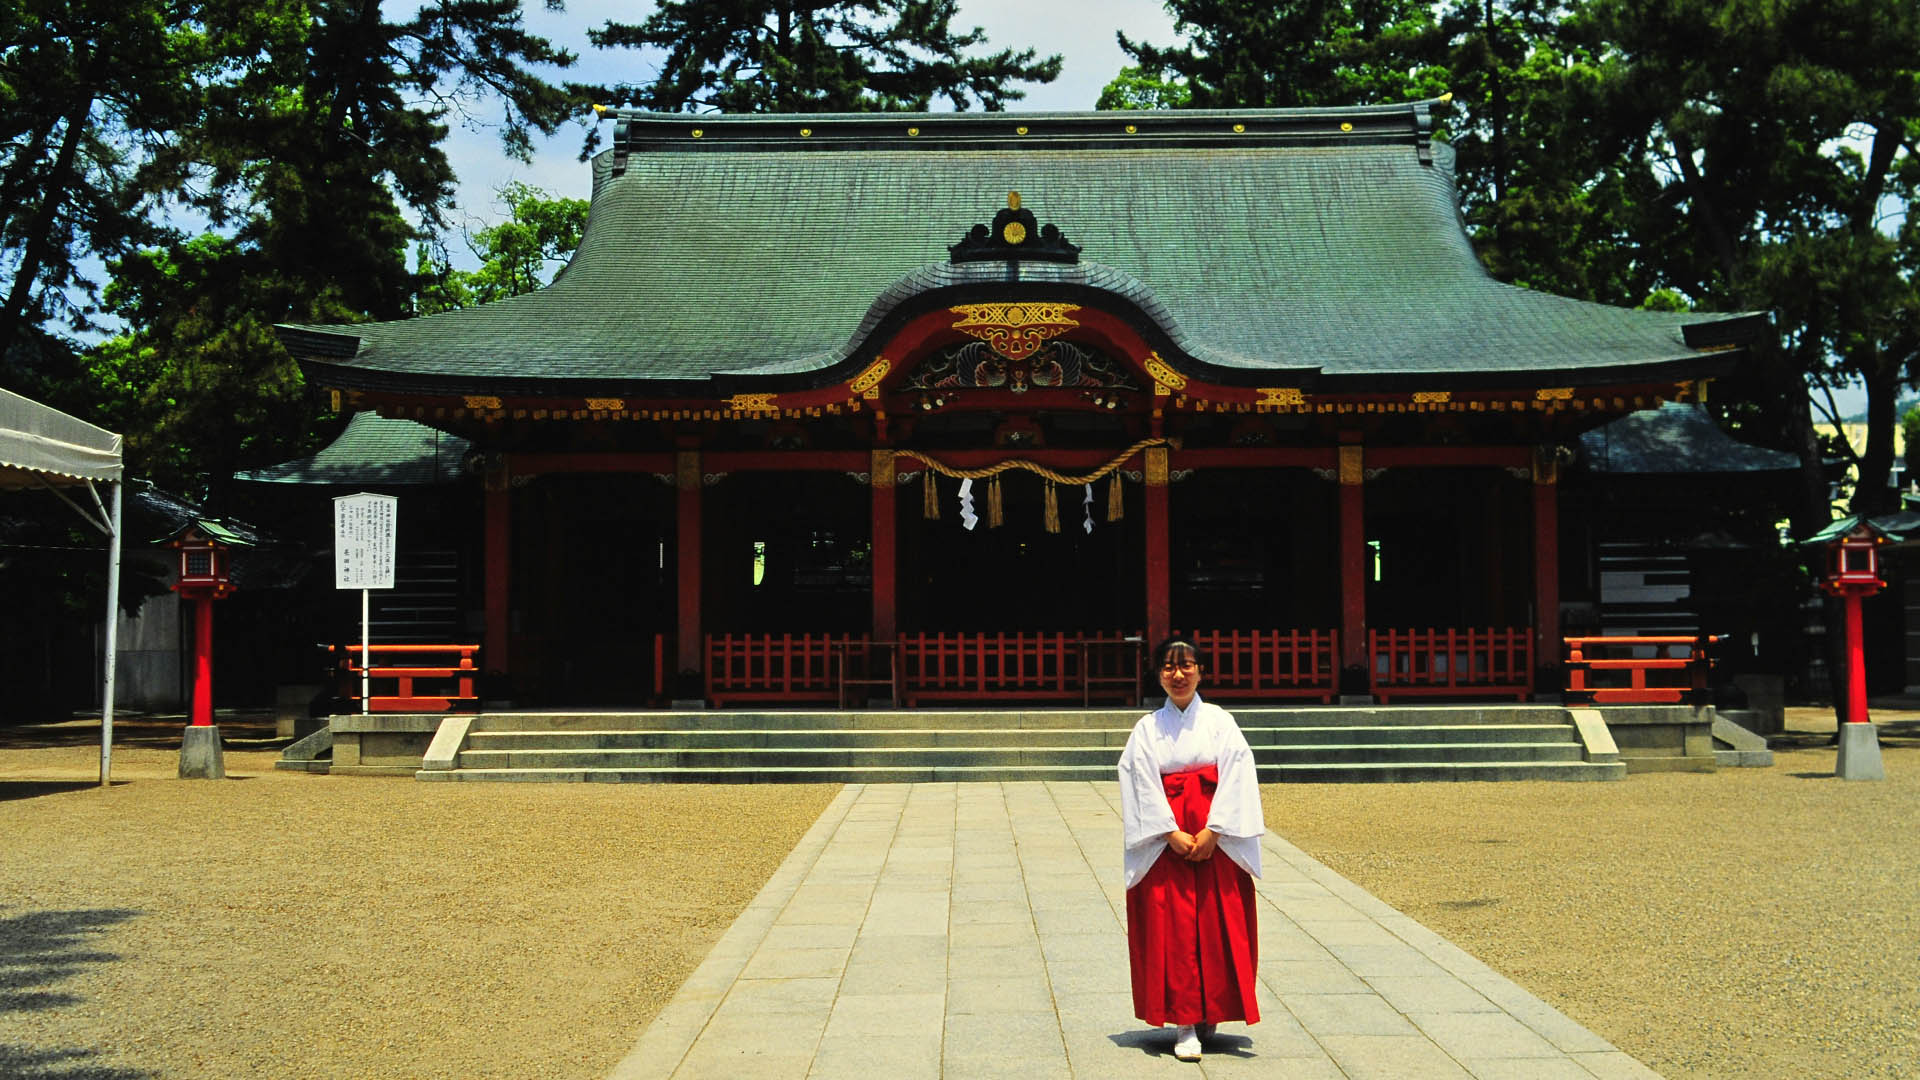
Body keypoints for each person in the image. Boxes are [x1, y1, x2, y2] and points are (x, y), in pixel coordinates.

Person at [1118, 637, 1264, 1062]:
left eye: (1186, 666)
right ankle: (1184, 1021)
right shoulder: (1147, 728)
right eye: (1168, 666)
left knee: (1216, 923)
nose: (1177, 675)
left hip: (1214, 835)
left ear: (1201, 671)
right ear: (1158, 674)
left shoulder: (1220, 721)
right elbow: (1138, 777)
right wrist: (1169, 832)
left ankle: (1211, 1011)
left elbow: (1238, 770)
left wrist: (1215, 830)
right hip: (1170, 841)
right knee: (1176, 929)